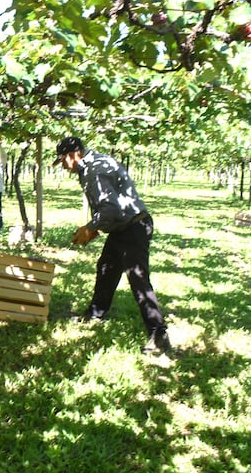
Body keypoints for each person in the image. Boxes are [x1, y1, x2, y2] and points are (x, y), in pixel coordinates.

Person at [53, 136, 171, 354]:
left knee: (138, 279)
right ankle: (96, 313)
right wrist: (95, 228)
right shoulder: (97, 162)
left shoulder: (93, 171)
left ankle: (159, 334)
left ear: (74, 154)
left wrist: (90, 228)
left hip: (132, 227)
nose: (63, 166)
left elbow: (111, 210)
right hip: (122, 227)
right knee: (106, 267)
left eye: (63, 161)